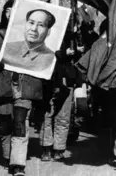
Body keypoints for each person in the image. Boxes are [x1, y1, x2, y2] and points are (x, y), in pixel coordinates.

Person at [0, 0, 50, 176]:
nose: (9, 13)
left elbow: (44, 54)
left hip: (24, 86)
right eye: (7, 10)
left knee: (20, 123)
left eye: (14, 10)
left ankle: (18, 164)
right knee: (4, 123)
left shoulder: (31, 34)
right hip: (3, 86)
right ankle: (8, 156)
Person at [40, 29, 83, 161]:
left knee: (63, 116)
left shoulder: (72, 37)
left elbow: (77, 60)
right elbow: (43, 53)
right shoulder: (45, 33)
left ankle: (59, 148)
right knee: (47, 115)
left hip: (67, 79)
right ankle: (46, 148)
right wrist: (63, 54)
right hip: (48, 79)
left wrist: (78, 51)